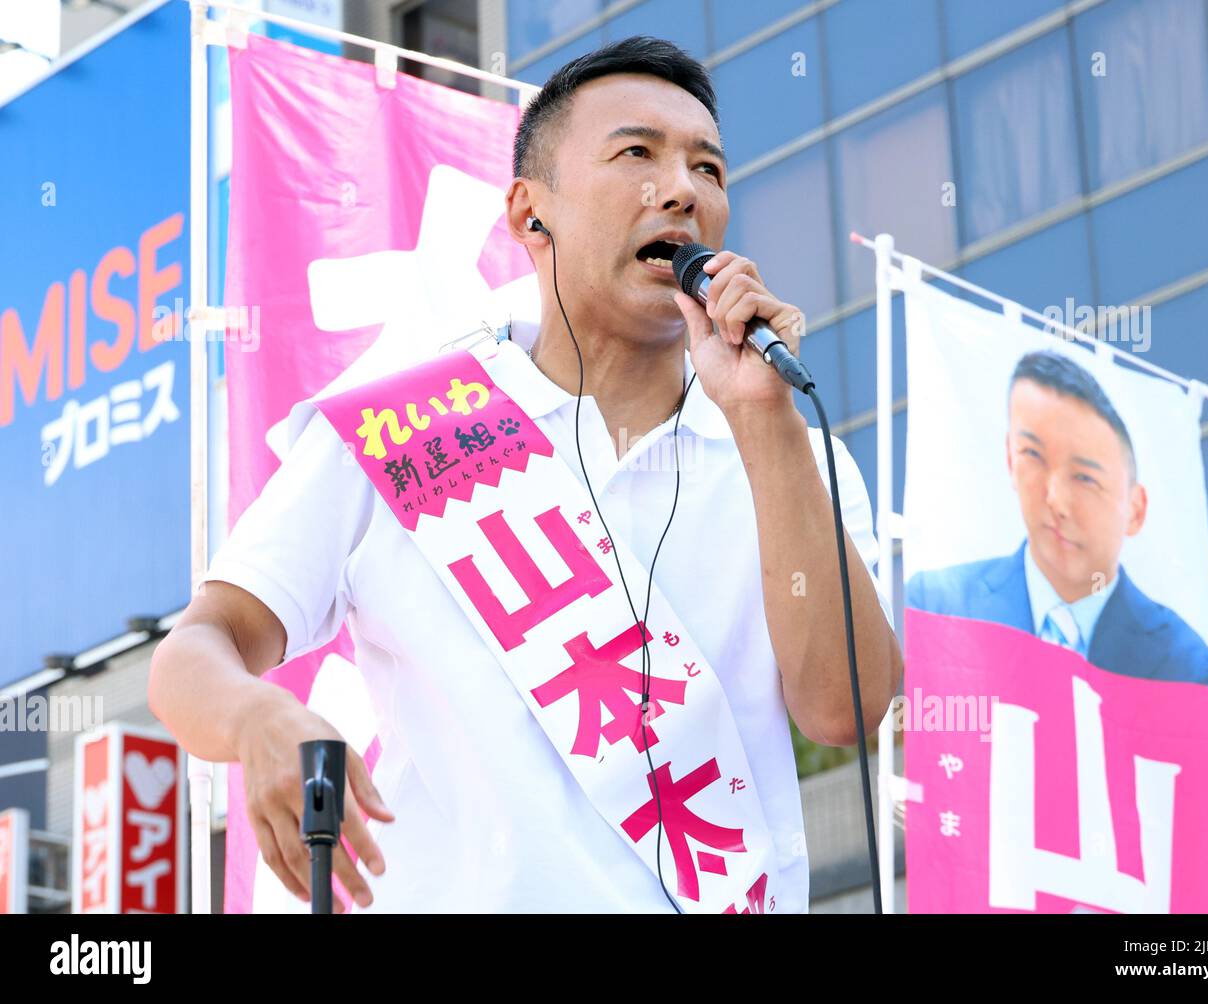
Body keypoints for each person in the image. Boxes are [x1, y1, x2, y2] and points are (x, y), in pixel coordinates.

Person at [148, 36, 901, 913]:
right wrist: (254, 719)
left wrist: (765, 421)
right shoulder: (399, 429)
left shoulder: (786, 452)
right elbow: (199, 647)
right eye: (636, 154)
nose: (682, 190)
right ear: (528, 212)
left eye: (709, 169)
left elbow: (847, 708)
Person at [906, 350, 1208, 696]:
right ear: (1009, 457)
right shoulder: (938, 606)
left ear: (1135, 510)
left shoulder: (1189, 669)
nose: (1055, 500)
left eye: (1085, 478)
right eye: (1032, 455)